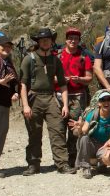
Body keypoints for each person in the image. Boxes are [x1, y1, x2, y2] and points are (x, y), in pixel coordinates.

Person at [20, 28, 76, 176]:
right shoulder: (29, 59)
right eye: (42, 39)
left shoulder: (55, 60)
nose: (45, 41)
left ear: (52, 41)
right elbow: (23, 84)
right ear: (38, 42)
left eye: (48, 39)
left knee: (57, 131)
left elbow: (63, 84)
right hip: (34, 98)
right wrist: (25, 105)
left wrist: (64, 104)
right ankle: (33, 164)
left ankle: (62, 164)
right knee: (34, 133)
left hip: (51, 97)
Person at [56, 27, 93, 167]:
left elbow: (89, 78)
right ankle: (60, 158)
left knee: (74, 127)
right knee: (59, 127)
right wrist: (59, 80)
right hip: (59, 95)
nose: (73, 41)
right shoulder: (57, 56)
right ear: (66, 39)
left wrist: (79, 79)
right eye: (70, 38)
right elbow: (49, 76)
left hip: (78, 96)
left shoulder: (84, 57)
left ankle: (72, 157)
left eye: (76, 38)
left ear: (79, 40)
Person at [69, 91, 110, 179]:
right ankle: (85, 167)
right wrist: (79, 127)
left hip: (106, 145)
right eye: (103, 100)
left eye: (108, 99)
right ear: (99, 103)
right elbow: (84, 131)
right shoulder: (92, 114)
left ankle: (102, 165)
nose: (106, 102)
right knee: (84, 138)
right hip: (92, 145)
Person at [0, 36, 19, 178]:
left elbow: (14, 81)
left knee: (0, 136)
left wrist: (14, 92)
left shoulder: (8, 63)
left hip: (4, 104)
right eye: (4, 46)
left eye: (9, 46)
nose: (7, 48)